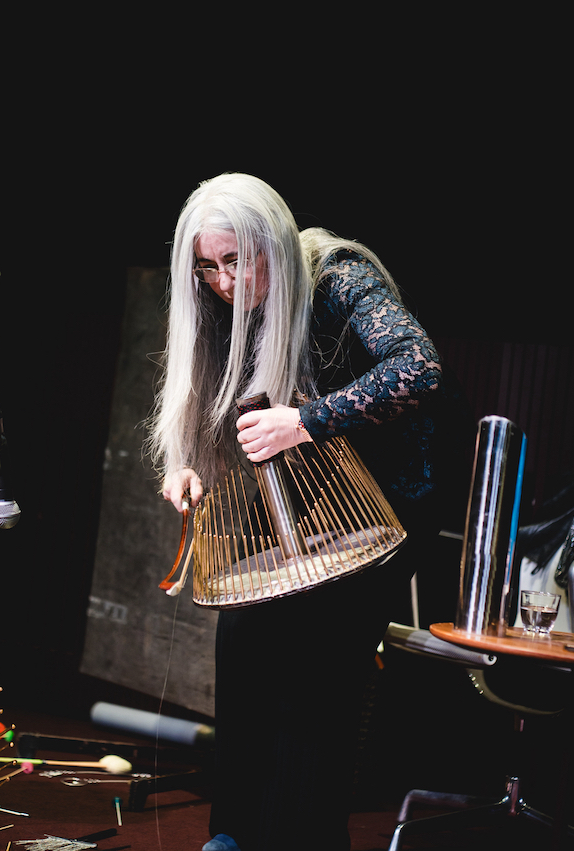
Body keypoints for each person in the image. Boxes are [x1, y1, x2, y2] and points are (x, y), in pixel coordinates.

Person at [148, 173, 448, 851]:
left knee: (314, 662)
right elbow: (212, 403)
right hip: (316, 492)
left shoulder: (335, 277)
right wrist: (188, 463)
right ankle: (232, 834)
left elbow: (420, 366)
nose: (223, 281)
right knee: (245, 633)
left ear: (273, 246)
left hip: (398, 498)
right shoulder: (227, 298)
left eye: (235, 260)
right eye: (207, 266)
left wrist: (307, 420)